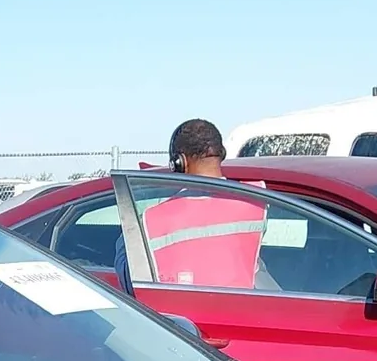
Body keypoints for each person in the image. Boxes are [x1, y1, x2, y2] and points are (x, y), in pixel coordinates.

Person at [113, 118, 266, 292]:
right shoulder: (254, 202)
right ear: (221, 153)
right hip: (240, 308)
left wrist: (129, 231)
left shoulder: (153, 220)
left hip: (174, 310)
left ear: (180, 162)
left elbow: (130, 282)